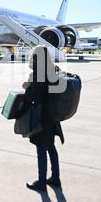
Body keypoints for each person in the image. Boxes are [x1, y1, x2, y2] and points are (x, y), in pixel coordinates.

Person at [22, 46, 64, 192]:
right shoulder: (54, 70)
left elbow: (36, 97)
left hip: (43, 116)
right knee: (51, 147)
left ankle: (41, 182)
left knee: (41, 149)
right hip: (53, 116)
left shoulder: (40, 73)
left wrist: (27, 87)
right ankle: (55, 178)